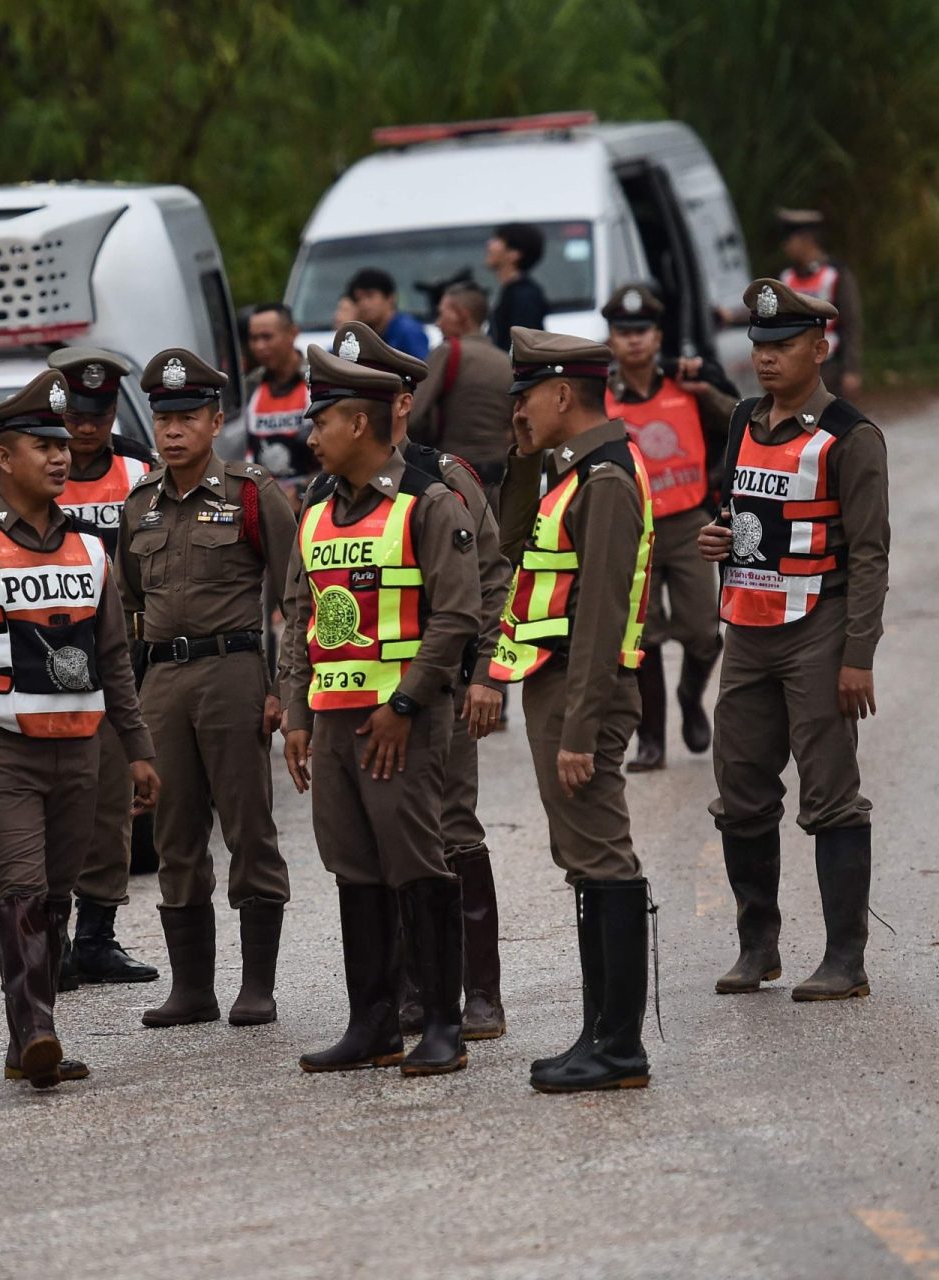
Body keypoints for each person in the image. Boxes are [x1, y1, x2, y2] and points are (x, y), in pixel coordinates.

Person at [0, 371, 160, 1086]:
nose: (61, 456)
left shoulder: (92, 551)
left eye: (62, 444)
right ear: (4, 458)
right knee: (22, 890)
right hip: (0, 748)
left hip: (81, 751)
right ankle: (35, 1031)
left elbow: (114, 660)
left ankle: (27, 1039)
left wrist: (136, 750)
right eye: (42, 445)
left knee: (59, 891)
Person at [280, 346, 485, 1075]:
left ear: (360, 423)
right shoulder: (315, 507)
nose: (311, 436)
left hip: (402, 720)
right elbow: (299, 615)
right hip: (334, 721)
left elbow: (457, 617)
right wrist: (298, 717)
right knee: (354, 870)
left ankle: (440, 1023)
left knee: (416, 863)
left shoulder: (428, 503)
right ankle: (370, 1024)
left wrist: (403, 704)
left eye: (323, 421)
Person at [698, 279, 888, 1002]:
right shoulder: (744, 419)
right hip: (746, 630)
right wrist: (718, 538)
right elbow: (738, 511)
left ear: (820, 347)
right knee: (739, 790)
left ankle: (846, 960)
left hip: (818, 628)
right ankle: (759, 947)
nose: (766, 359)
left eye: (781, 346)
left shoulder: (851, 437)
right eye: (758, 346)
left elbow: (871, 553)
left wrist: (858, 656)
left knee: (832, 795)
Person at [328, 320, 515, 1040]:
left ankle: (480, 995)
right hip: (359, 698)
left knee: (451, 828)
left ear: (400, 404)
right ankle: (408, 991)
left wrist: (486, 675)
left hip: (438, 691)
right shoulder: (331, 489)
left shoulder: (446, 479)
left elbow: (492, 579)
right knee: (380, 843)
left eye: (368, 396)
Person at [487, 328, 656, 1093]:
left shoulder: (608, 482)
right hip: (555, 685)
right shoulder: (568, 473)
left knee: (601, 855)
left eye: (526, 395)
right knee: (582, 859)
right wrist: (524, 454)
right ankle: (598, 1032)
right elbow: (513, 541)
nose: (518, 408)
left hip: (583, 688)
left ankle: (620, 1048)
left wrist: (581, 728)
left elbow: (600, 613)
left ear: (563, 394)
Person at [121, 348, 295, 1029]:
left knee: (248, 824)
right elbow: (131, 603)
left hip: (233, 670)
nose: (173, 431)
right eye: (164, 418)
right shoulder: (141, 506)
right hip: (163, 677)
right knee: (175, 830)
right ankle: (192, 987)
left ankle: (258, 985)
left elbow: (296, 595)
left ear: (216, 421)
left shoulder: (252, 494)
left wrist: (283, 686)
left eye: (188, 417)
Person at [601, 283, 737, 772]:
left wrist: (711, 384)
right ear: (611, 339)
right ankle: (651, 740)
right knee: (643, 639)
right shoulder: (601, 398)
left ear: (659, 336)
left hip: (687, 524)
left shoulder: (688, 386)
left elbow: (739, 425)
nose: (634, 340)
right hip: (632, 529)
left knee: (705, 629)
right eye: (623, 331)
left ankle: (690, 695)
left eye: (642, 331)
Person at [409, 280, 517, 500]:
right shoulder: (507, 362)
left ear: (461, 314)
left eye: (442, 314)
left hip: (455, 483)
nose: (438, 323)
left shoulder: (448, 353)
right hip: (500, 484)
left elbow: (412, 415)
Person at [776, 209, 863, 399]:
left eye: (789, 240)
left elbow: (851, 323)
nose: (786, 247)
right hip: (795, 365)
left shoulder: (835, 275)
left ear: (806, 239)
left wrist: (851, 369)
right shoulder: (787, 277)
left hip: (829, 366)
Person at [239, 304, 316, 498]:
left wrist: (301, 493)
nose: (259, 346)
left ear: (292, 333)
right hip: (262, 502)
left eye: (267, 337)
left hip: (310, 501)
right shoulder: (249, 387)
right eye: (253, 338)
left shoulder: (317, 382)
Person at [486, 224, 549, 351]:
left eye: (498, 240)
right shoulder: (510, 290)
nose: (489, 244)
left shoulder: (525, 295)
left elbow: (522, 347)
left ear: (514, 254)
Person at [346, 267, 430, 359]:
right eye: (358, 299)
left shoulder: (408, 332)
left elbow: (423, 369)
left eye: (370, 296)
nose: (363, 304)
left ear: (390, 298)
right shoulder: (364, 335)